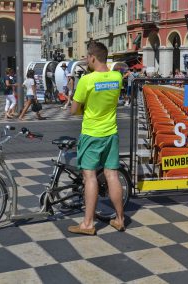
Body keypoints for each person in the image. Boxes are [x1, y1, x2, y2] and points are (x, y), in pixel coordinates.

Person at [68, 41, 125, 235]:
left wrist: (85, 109)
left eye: (87, 57)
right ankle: (119, 219)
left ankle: (88, 224)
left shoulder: (87, 80)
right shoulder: (117, 77)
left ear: (92, 57)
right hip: (111, 132)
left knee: (90, 177)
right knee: (112, 175)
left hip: (92, 134)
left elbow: (74, 110)